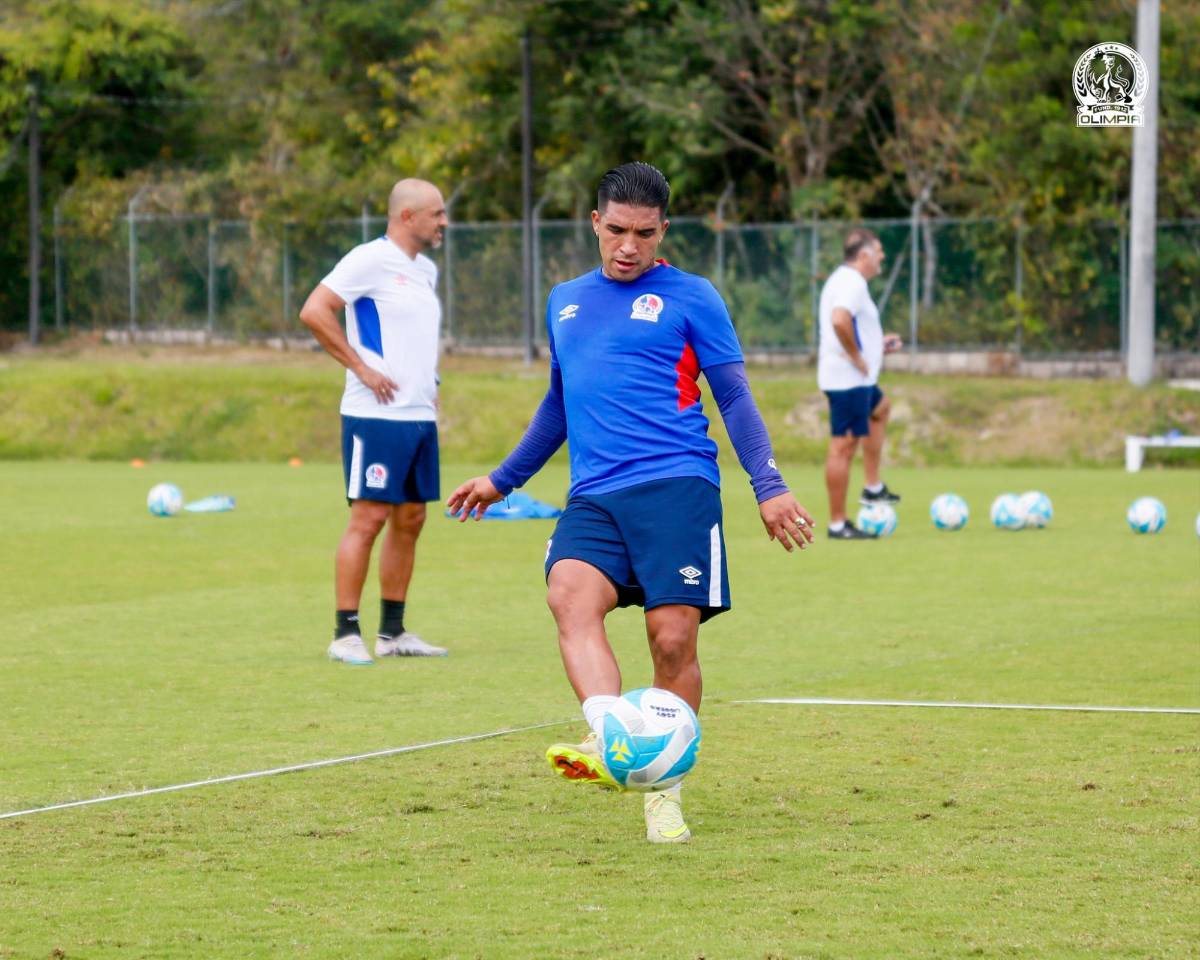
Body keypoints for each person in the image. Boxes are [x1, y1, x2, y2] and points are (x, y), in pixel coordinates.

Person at [447, 162, 815, 843]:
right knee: (568, 595)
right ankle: (615, 734)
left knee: (671, 638)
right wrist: (503, 480)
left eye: (644, 234)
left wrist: (769, 486)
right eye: (616, 230)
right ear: (594, 223)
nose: (627, 246)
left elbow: (732, 395)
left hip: (678, 485)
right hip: (594, 494)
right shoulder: (565, 301)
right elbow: (560, 404)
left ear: (662, 231)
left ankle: (662, 790)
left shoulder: (693, 296)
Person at [299, 178, 451, 665]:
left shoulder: (425, 270)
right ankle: (345, 633)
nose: (444, 222)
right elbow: (315, 310)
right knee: (368, 519)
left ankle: (393, 632)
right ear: (408, 217)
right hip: (374, 416)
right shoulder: (368, 259)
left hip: (418, 416)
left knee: (411, 518)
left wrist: (430, 384)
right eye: (437, 214)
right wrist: (362, 368)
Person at [817, 227, 903, 540]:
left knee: (881, 408)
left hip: (855, 379)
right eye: (879, 252)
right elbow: (840, 320)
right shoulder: (852, 282)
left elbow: (848, 325)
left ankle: (872, 487)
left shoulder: (845, 280)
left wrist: (876, 345)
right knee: (843, 447)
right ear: (864, 255)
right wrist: (856, 356)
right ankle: (838, 524)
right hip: (847, 380)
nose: (882, 257)